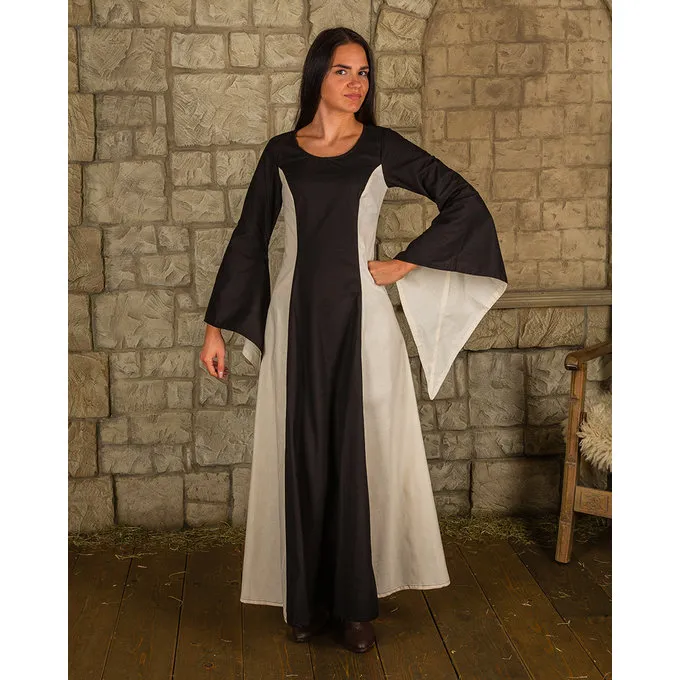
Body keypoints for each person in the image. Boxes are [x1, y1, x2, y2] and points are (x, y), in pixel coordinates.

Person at [199, 27, 508, 653]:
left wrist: (407, 262)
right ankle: (307, 602)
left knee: (358, 454)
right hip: (295, 323)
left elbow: (462, 200)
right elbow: (250, 235)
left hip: (363, 321)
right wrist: (215, 328)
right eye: (343, 70)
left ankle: (356, 607)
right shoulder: (281, 153)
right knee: (304, 450)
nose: (356, 83)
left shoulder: (381, 147)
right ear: (318, 75)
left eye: (363, 72)